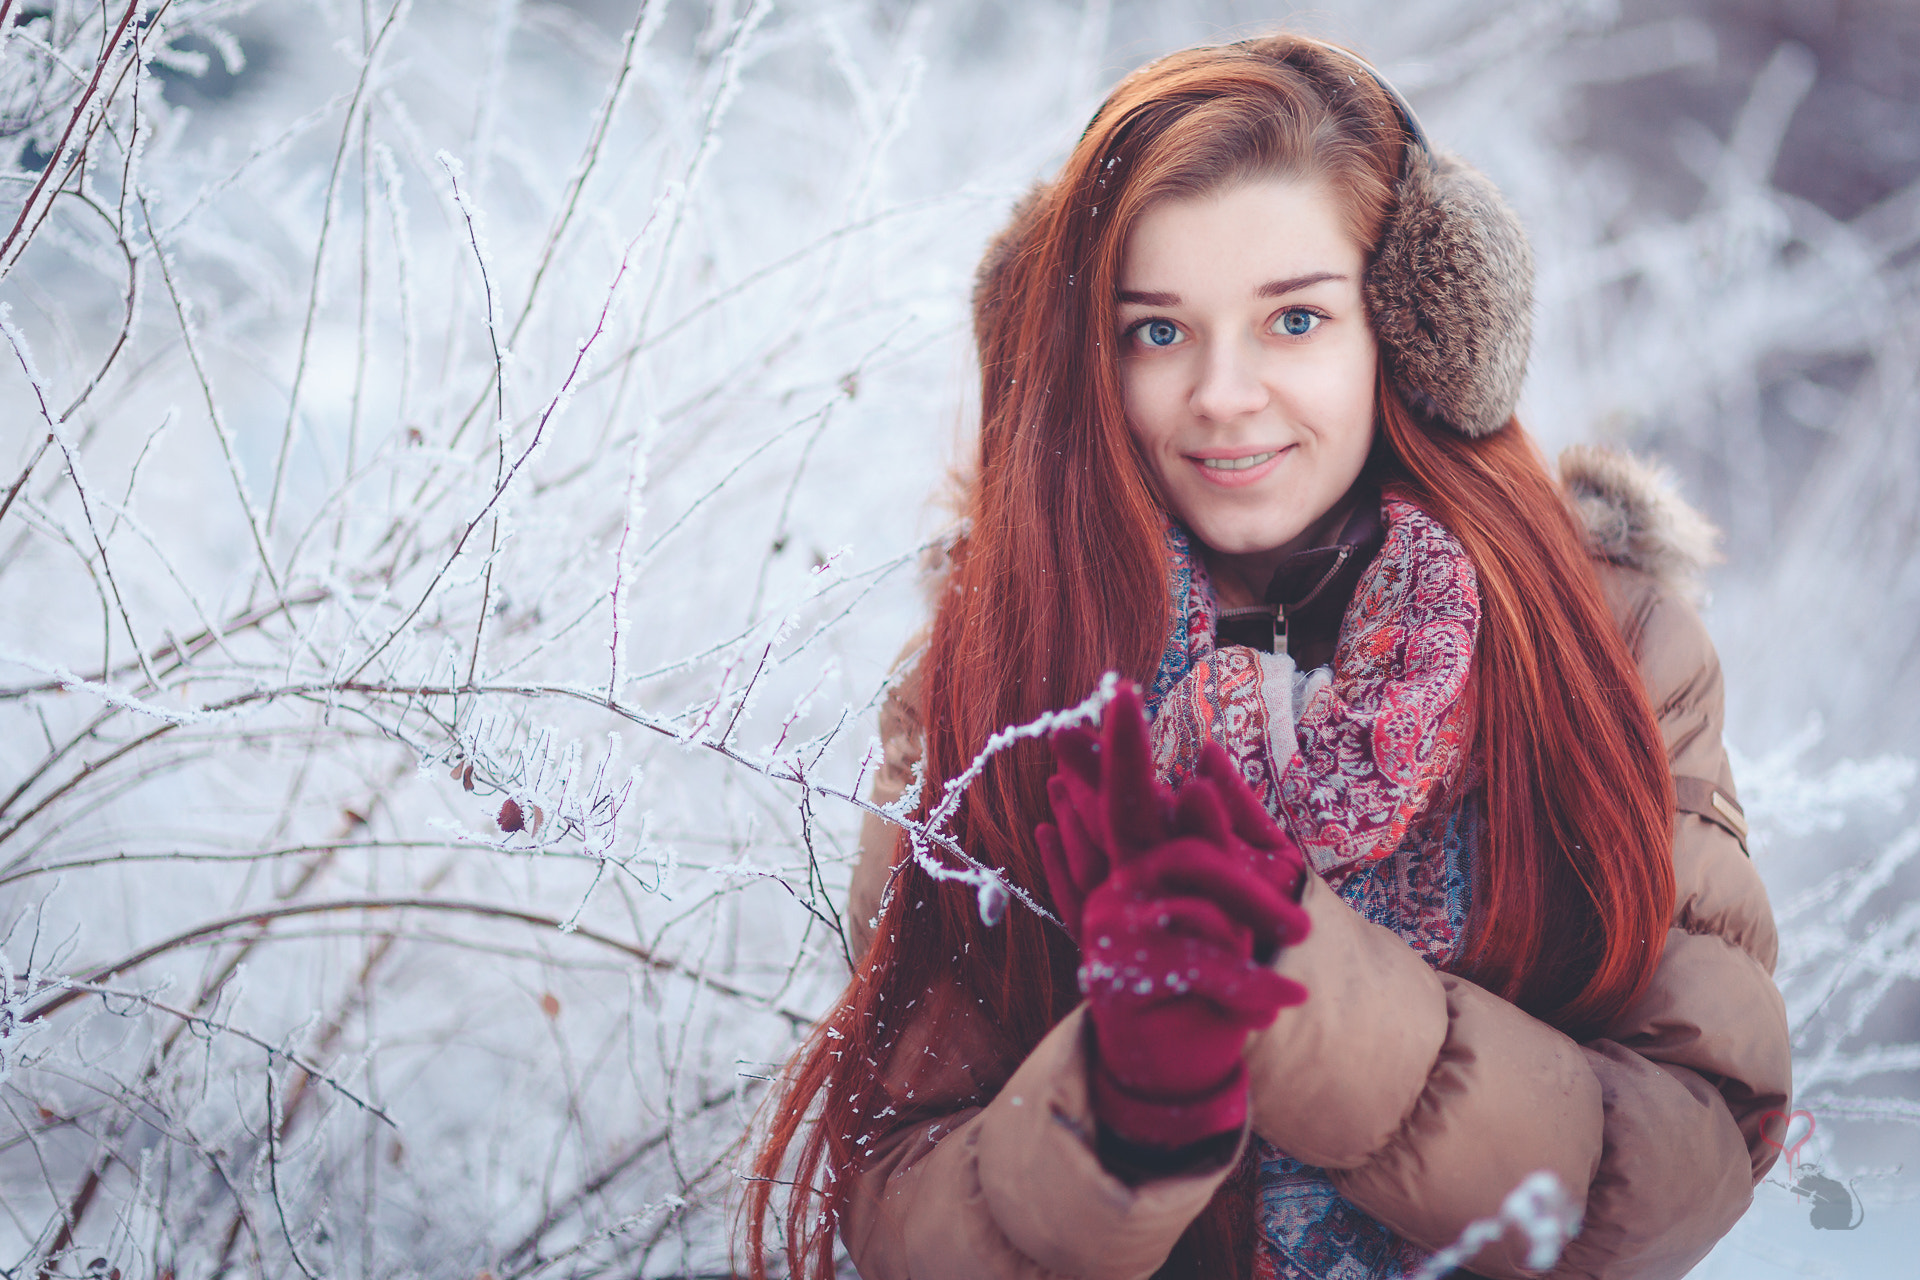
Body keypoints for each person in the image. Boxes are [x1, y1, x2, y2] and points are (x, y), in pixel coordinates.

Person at [743, 32, 1791, 1280]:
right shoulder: (989, 683)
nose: (1225, 393)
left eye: (1294, 318)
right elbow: (900, 1191)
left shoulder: (1605, 649)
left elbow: (1696, 1144)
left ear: (1410, 333)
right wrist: (1125, 1105)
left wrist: (1300, 996)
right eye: (1157, 333)